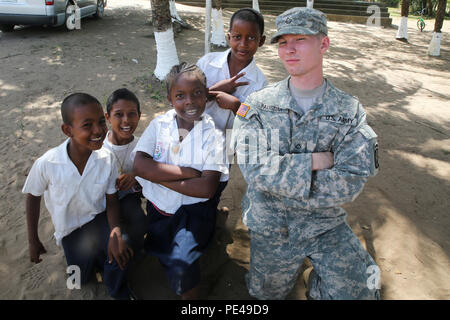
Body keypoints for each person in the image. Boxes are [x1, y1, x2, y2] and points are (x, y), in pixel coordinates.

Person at [232, 7, 381, 300]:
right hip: (272, 226)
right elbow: (254, 170)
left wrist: (280, 172)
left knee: (362, 290)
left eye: (300, 39)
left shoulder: (349, 112)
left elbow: (348, 182)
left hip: (325, 225)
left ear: (323, 44)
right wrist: (316, 161)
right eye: (283, 42)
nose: (289, 49)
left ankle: (319, 288)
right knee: (265, 294)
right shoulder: (258, 106)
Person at [22, 93, 134, 299]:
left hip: (99, 221)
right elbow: (33, 197)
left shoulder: (106, 157)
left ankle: (119, 291)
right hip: (70, 231)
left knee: (121, 248)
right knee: (78, 279)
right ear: (68, 130)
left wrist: (115, 231)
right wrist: (33, 240)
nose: (98, 130)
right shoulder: (48, 163)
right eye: (87, 125)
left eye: (101, 122)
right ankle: (92, 262)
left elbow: (111, 200)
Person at [132, 62, 228, 299]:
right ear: (169, 99)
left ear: (206, 96)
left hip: (192, 213)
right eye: (180, 96)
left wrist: (156, 175)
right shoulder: (159, 124)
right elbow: (139, 165)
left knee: (182, 264)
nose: (190, 101)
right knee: (159, 247)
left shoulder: (213, 136)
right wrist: (185, 172)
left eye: (197, 93)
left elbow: (206, 188)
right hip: (158, 208)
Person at [196, 7, 267, 210]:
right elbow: (185, 98)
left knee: (214, 188)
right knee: (189, 179)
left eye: (251, 38)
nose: (243, 44)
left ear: (261, 41)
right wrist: (215, 90)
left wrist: (237, 106)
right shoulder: (207, 63)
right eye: (237, 36)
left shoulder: (260, 83)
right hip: (194, 136)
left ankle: (211, 214)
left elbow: (258, 121)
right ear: (228, 37)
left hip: (225, 147)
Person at [104, 88, 147, 252]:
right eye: (119, 114)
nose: (126, 120)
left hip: (129, 197)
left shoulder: (142, 145)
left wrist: (135, 177)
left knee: (140, 224)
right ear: (107, 117)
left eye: (132, 114)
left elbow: (149, 173)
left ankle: (137, 252)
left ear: (139, 115)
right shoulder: (100, 148)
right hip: (103, 203)